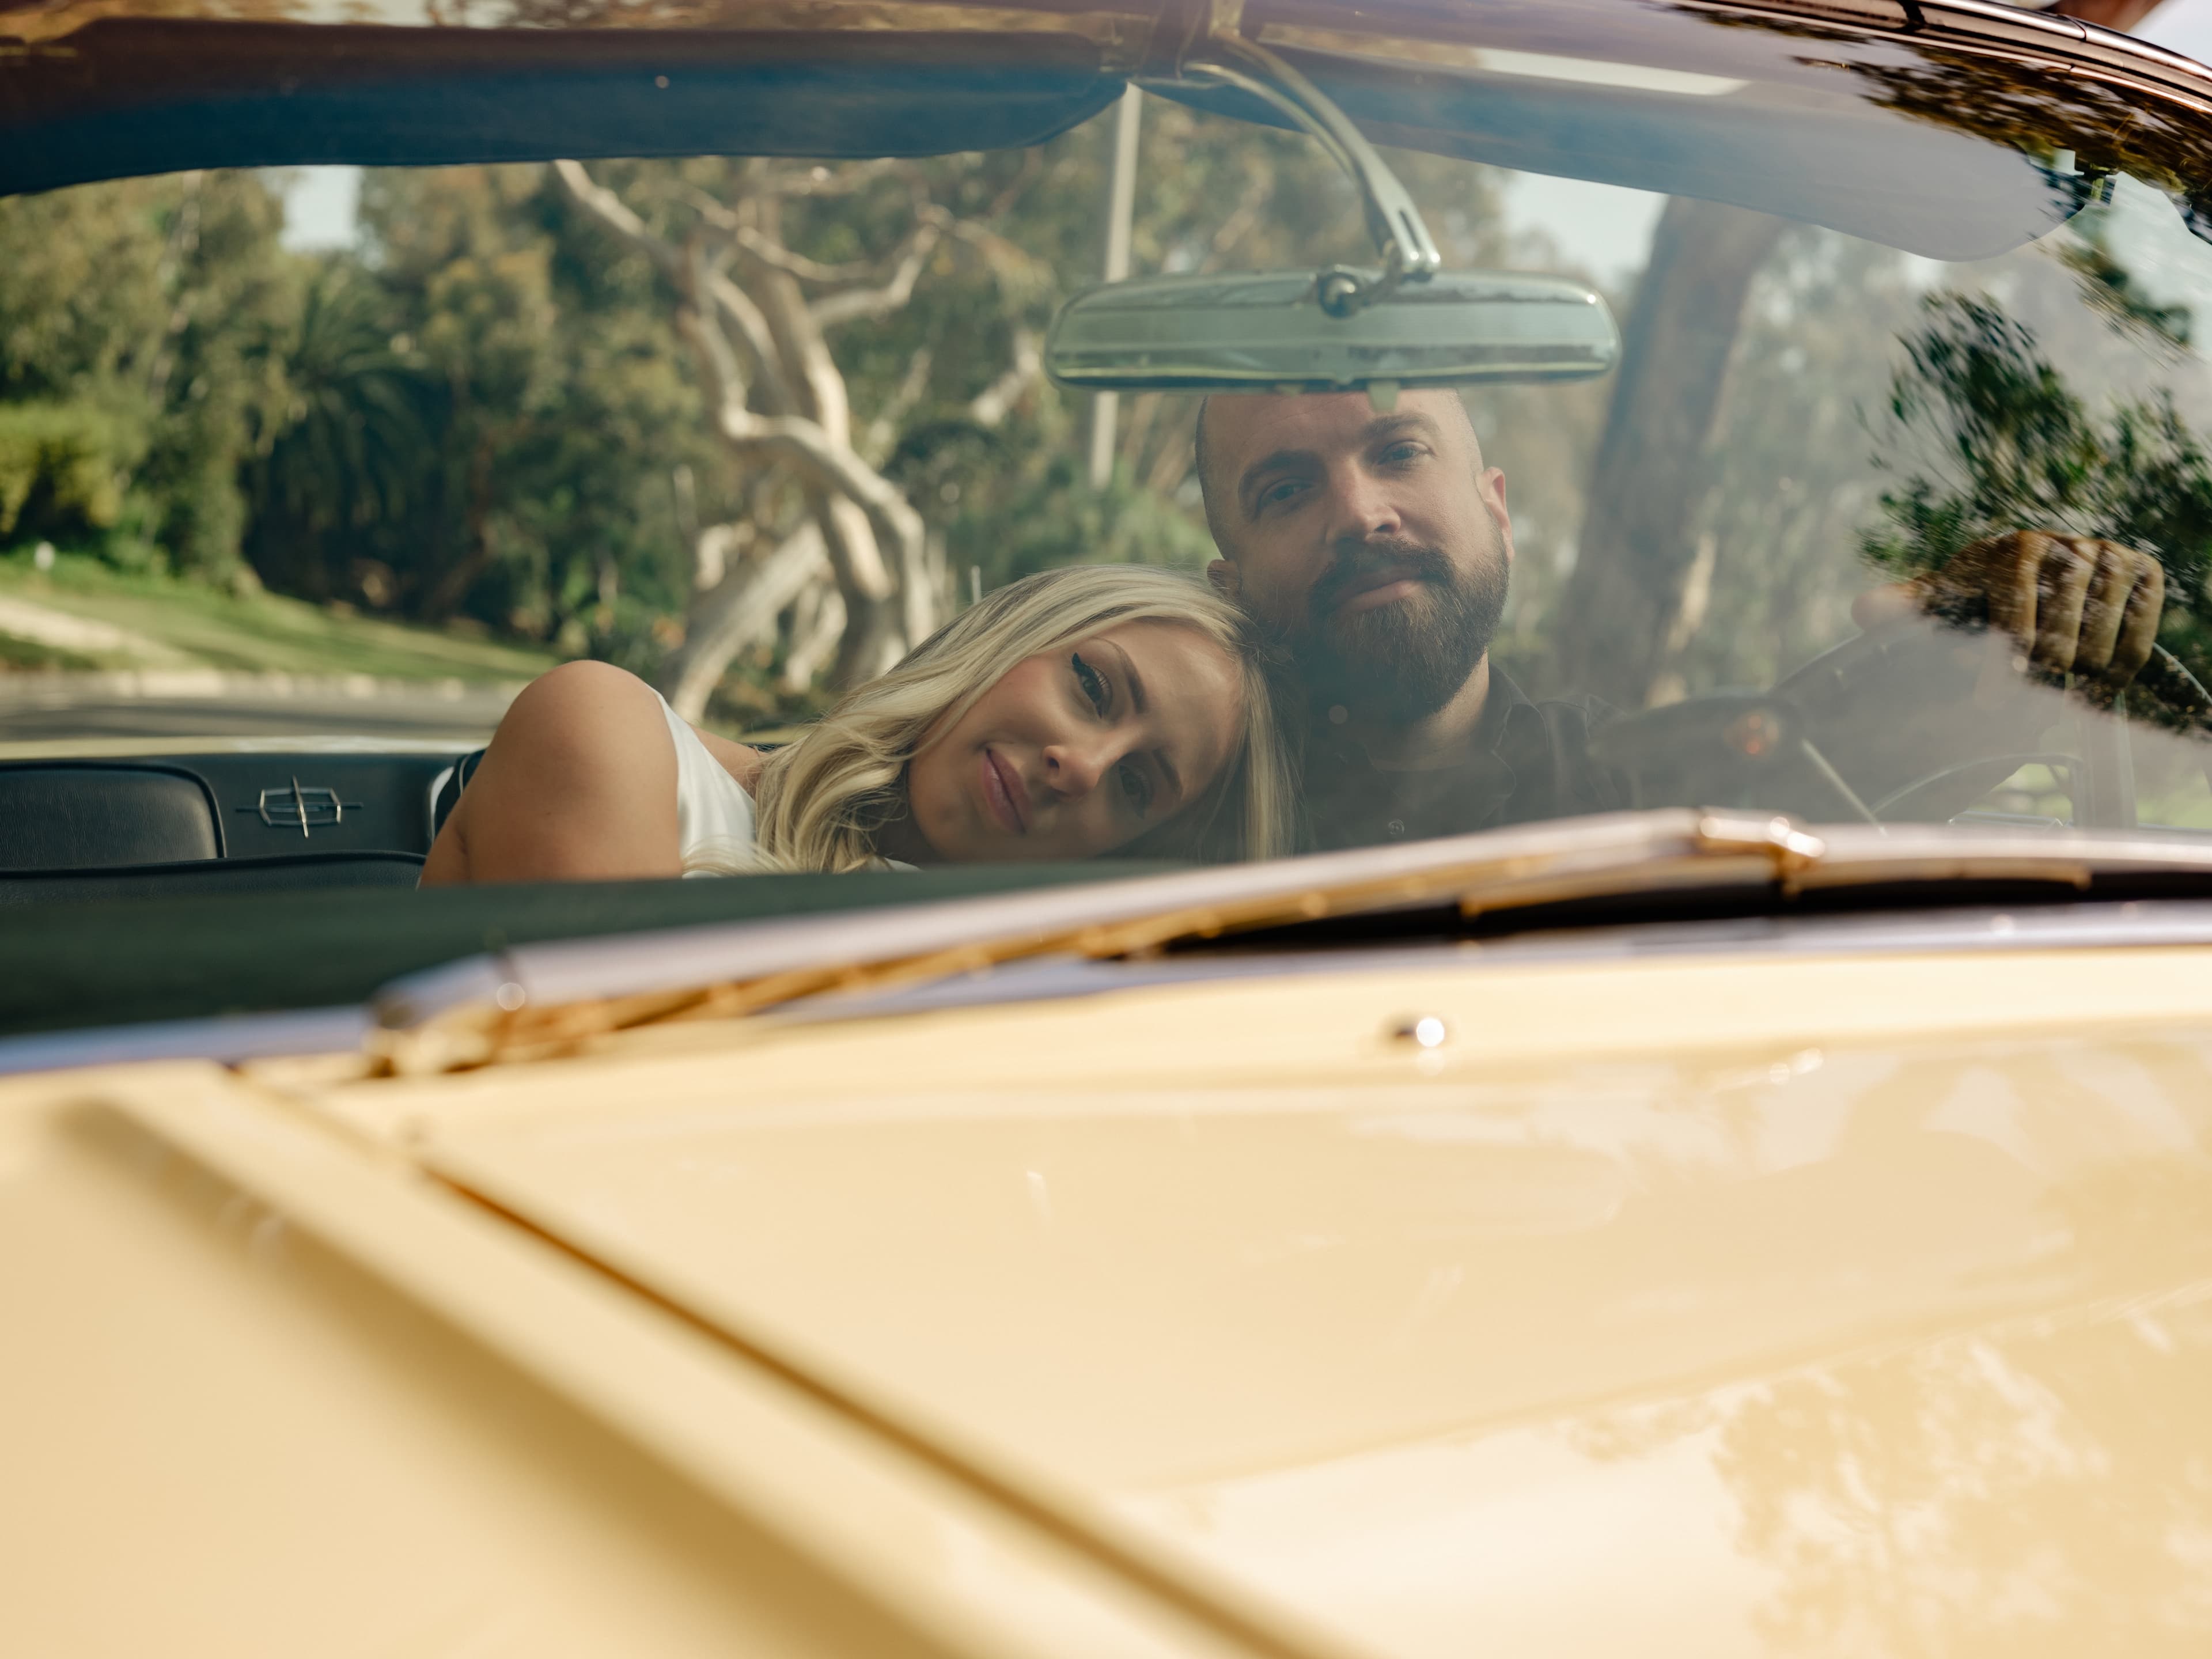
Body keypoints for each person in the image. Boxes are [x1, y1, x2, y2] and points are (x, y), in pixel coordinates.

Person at [1193, 388, 2169, 850]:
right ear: (1229, 585)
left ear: (1498, 508)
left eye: (1399, 452)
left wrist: (2018, 621)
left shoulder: (1654, 796)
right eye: (1285, 490)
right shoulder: (1154, 822)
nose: (1361, 513)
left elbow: (1833, 769)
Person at [421, 564, 1294, 882]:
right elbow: (612, 1137)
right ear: (1005, 637)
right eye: (1094, 689)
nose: (1085, 766)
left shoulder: (1011, 998)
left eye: (1138, 785)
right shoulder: (608, 733)